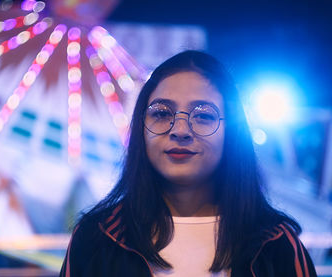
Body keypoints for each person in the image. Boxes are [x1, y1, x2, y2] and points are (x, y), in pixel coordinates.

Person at [59, 50, 317, 277]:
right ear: (140, 129)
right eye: (161, 113)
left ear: (232, 134)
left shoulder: (277, 246)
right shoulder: (96, 239)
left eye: (203, 116)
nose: (180, 130)